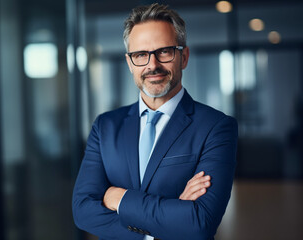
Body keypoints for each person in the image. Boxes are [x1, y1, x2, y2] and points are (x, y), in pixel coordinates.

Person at [72, 3, 238, 240]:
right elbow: (82, 211)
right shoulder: (105, 126)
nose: (152, 65)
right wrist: (162, 227)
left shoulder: (216, 127)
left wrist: (118, 198)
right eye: (140, 55)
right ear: (130, 63)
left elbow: (200, 222)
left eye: (164, 51)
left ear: (184, 56)